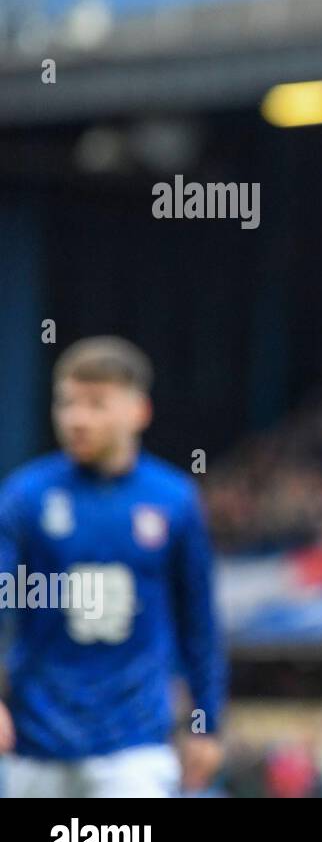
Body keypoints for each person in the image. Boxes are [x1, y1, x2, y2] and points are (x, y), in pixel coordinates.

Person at [0, 337, 224, 797]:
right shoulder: (26, 494)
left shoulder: (174, 499)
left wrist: (207, 721)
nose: (77, 418)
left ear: (138, 411)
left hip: (134, 746)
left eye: (96, 404)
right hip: (36, 739)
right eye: (67, 403)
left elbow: (199, 621)